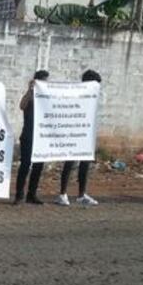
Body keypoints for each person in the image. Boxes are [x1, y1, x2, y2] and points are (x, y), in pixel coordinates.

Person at [55, 69, 102, 207]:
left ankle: (81, 194)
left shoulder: (93, 97)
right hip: (74, 132)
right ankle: (62, 194)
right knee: (69, 163)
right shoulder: (75, 94)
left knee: (85, 164)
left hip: (86, 133)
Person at [14, 70, 50, 205]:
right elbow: (22, 106)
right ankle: (19, 195)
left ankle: (32, 194)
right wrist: (30, 90)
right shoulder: (31, 96)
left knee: (38, 166)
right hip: (28, 135)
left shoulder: (47, 98)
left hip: (42, 137)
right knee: (25, 165)